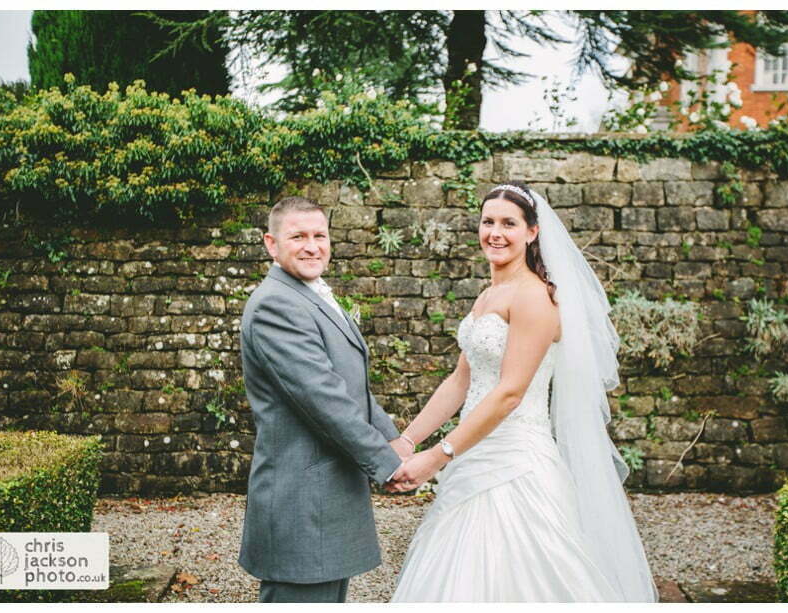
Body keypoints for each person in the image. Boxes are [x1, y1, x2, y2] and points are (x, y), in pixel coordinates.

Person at [387, 181, 659, 602]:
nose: (495, 233)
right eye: (488, 222)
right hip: (473, 454)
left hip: (516, 463)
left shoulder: (535, 296)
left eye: (508, 224)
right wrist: (407, 441)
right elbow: (460, 381)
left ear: (532, 232)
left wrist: (437, 456)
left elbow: (510, 392)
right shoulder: (489, 294)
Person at [237, 196, 413, 603]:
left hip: (328, 493)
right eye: (298, 236)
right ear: (271, 244)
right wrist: (389, 465)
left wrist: (394, 440)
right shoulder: (275, 305)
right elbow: (324, 399)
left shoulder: (308, 295)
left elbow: (350, 386)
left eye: (320, 236)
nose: (312, 246)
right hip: (302, 499)